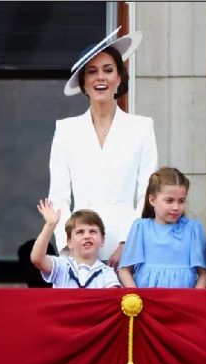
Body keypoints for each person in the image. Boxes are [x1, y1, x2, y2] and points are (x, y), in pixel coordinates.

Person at [48, 26, 158, 269]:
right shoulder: (66, 130)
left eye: (108, 70)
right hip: (80, 247)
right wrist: (70, 246)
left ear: (119, 78)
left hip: (128, 249)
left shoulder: (141, 127)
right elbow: (59, 196)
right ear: (83, 82)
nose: (100, 77)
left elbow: (147, 193)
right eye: (92, 72)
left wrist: (127, 243)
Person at [118, 167, 206, 288]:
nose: (176, 207)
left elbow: (204, 274)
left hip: (183, 302)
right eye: (169, 201)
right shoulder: (141, 228)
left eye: (181, 201)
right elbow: (125, 270)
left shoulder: (193, 229)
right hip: (147, 301)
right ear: (152, 200)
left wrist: (193, 300)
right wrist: (136, 296)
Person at [30, 199, 120, 288]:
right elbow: (37, 259)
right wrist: (50, 225)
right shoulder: (61, 265)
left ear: (102, 240)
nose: (87, 236)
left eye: (92, 231)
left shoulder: (107, 273)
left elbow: (112, 298)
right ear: (69, 242)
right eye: (80, 232)